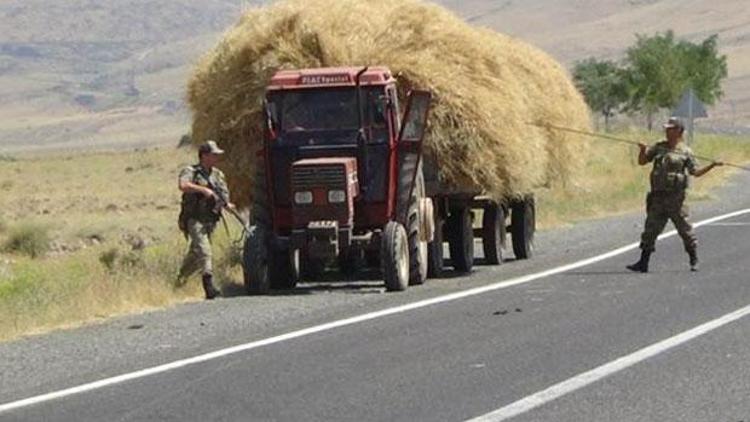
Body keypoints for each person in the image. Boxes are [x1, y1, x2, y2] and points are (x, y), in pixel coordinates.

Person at [627, 117, 723, 273]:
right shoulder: (659, 147)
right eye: (666, 128)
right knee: (650, 229)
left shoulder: (685, 152)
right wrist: (642, 150)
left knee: (684, 230)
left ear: (679, 130)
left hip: (676, 199)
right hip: (657, 197)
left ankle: (694, 259)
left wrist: (712, 165)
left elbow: (695, 172)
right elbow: (642, 162)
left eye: (670, 128)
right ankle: (643, 263)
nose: (667, 131)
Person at [177, 140, 234, 299]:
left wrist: (226, 204)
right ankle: (209, 288)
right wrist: (203, 190)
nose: (216, 157)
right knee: (205, 250)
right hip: (194, 218)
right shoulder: (191, 171)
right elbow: (183, 185)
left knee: (195, 254)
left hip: (211, 219)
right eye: (213, 155)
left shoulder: (218, 175)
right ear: (204, 156)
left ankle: (180, 281)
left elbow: (222, 196)